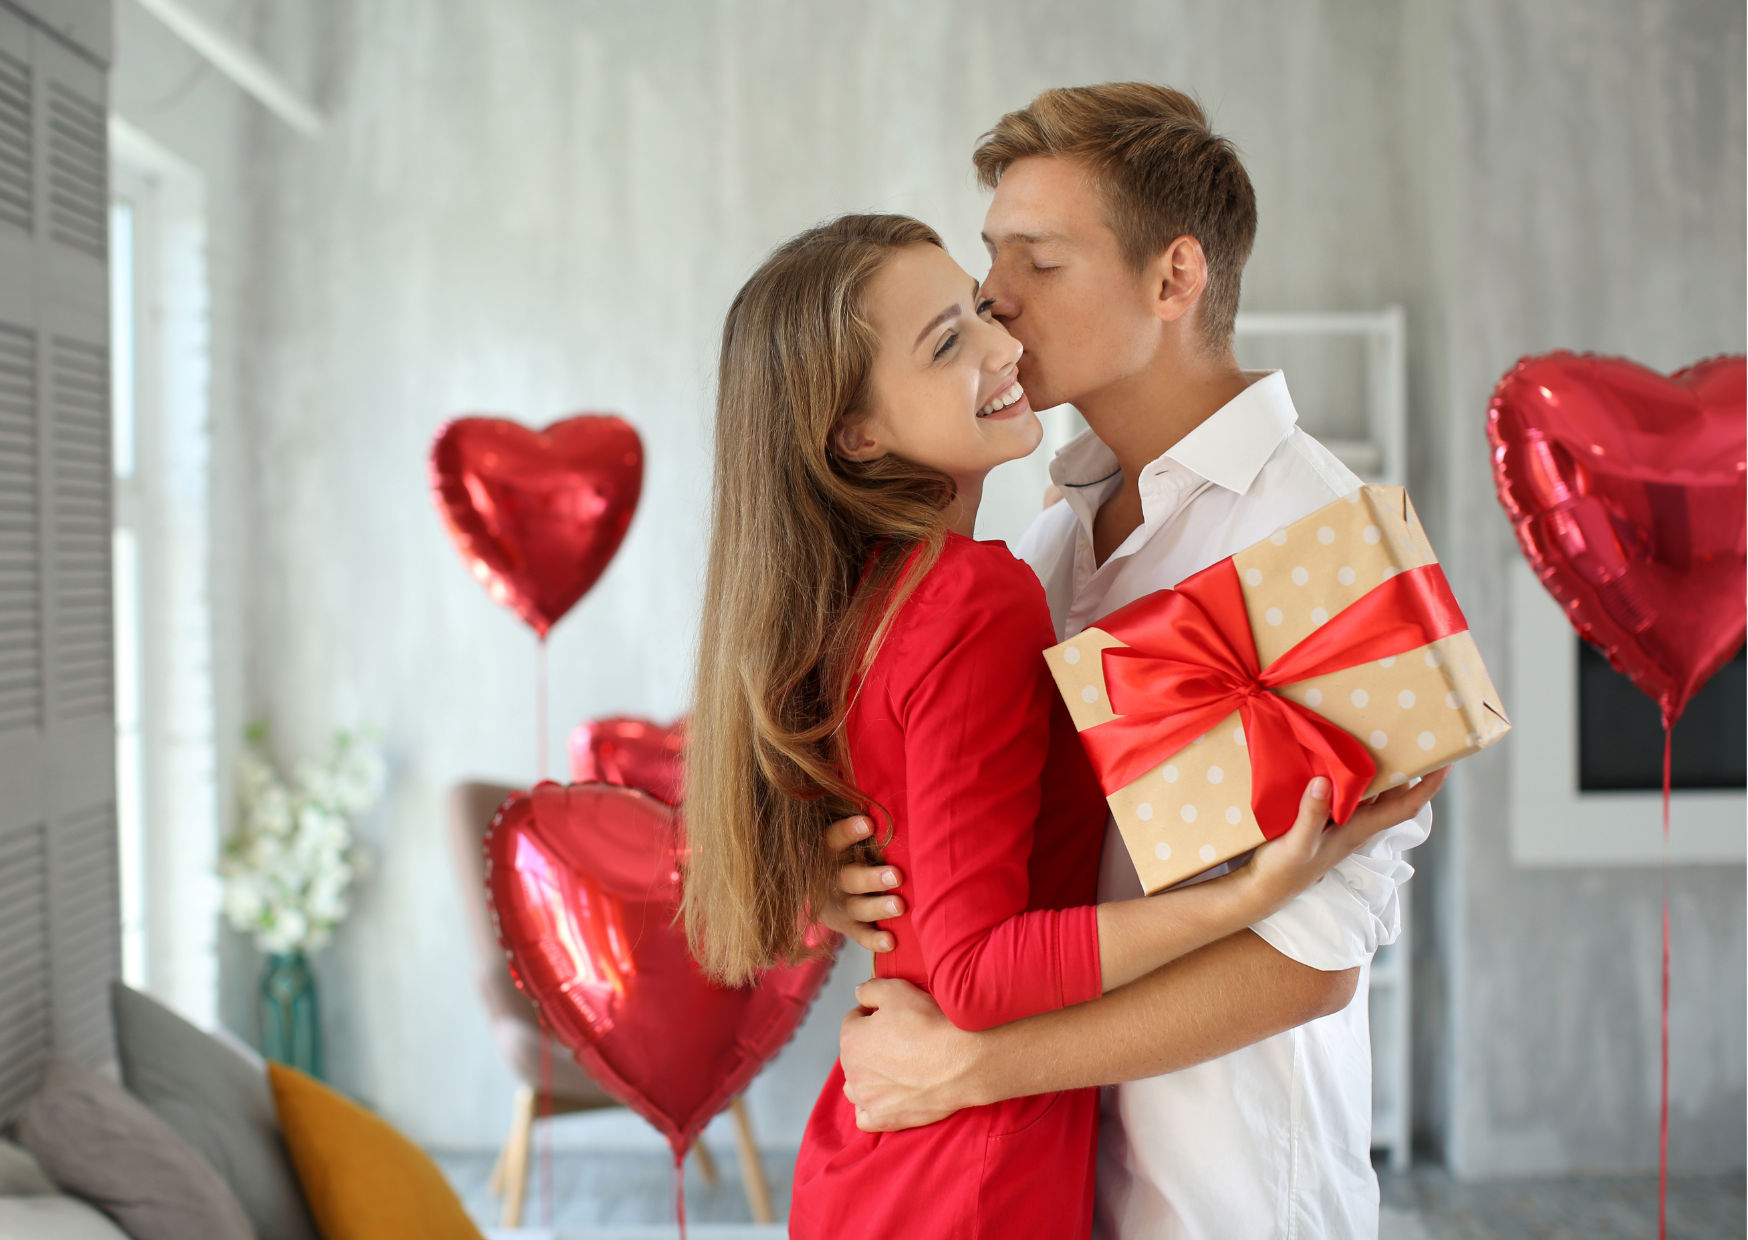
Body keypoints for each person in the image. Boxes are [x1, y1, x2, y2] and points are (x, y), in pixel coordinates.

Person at [681, 213, 1445, 1239]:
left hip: (933, 1153)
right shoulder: (1001, 576)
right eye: (952, 333)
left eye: (1018, 278)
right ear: (853, 434)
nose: (1003, 327)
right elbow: (974, 967)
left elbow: (1319, 955)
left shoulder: (875, 596)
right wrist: (1248, 895)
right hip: (972, 1171)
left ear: (1174, 276)